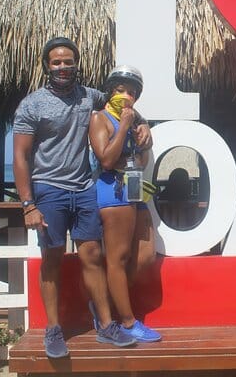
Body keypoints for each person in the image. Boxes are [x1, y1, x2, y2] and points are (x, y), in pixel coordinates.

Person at [13, 37, 151, 358]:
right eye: (56, 62)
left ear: (76, 65)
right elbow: (20, 156)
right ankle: (53, 329)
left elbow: (122, 102)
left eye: (68, 62)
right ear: (47, 66)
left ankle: (106, 326)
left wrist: (144, 125)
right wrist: (28, 204)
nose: (63, 67)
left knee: (92, 255)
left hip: (84, 189)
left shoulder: (90, 96)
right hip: (49, 189)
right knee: (52, 258)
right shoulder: (32, 105)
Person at [88, 65, 162, 342]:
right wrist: (124, 127)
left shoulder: (135, 122)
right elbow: (107, 159)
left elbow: (140, 162)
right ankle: (128, 322)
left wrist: (144, 141)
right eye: (120, 90)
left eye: (131, 92)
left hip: (134, 189)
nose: (126, 96)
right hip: (112, 191)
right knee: (117, 258)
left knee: (145, 256)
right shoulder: (100, 118)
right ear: (110, 91)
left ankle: (105, 304)